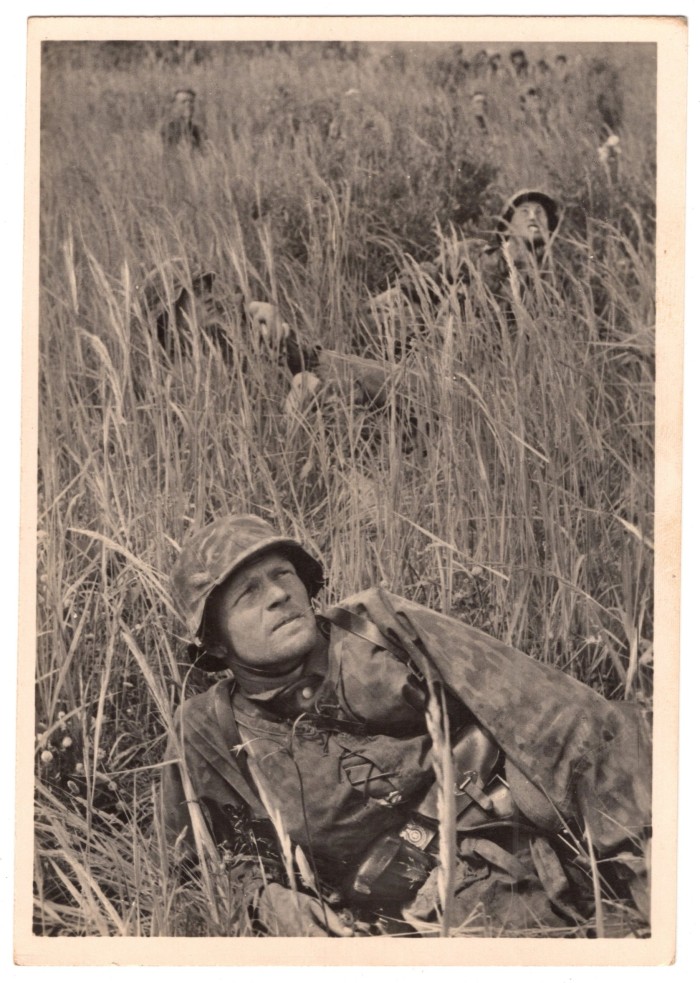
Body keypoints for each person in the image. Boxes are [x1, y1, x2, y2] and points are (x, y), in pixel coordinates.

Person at [162, 513, 651, 937]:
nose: (279, 595)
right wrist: (268, 901)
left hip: (536, 845)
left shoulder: (380, 628)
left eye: (283, 573)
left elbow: (560, 718)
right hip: (405, 922)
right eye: (248, 593)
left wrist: (645, 861)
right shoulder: (209, 731)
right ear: (216, 643)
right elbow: (196, 866)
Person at [161, 87, 207, 151]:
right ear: (174, 106)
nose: (188, 105)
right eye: (183, 102)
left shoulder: (198, 130)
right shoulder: (167, 129)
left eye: (191, 102)